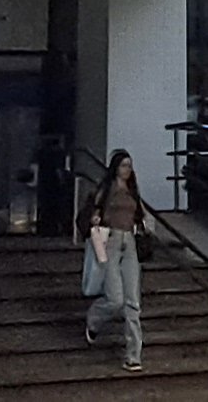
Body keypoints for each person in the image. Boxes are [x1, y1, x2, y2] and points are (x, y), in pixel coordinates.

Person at [82, 149, 146, 372]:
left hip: (129, 240)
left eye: (129, 165)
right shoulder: (107, 189)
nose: (128, 170)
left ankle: (133, 355)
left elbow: (139, 214)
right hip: (111, 239)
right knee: (115, 299)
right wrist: (96, 217)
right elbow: (93, 209)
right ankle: (94, 318)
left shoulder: (132, 190)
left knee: (132, 301)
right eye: (124, 166)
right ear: (116, 168)